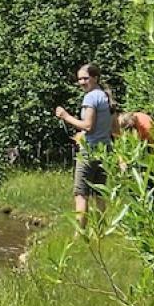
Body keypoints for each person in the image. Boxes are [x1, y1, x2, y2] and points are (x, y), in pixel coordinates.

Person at [53, 63, 115, 227]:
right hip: (105, 150)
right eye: (79, 79)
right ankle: (102, 229)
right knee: (99, 193)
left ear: (95, 78)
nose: (81, 82)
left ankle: (79, 233)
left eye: (85, 78)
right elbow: (110, 127)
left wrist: (65, 116)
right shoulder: (105, 96)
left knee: (81, 193)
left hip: (89, 152)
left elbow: (88, 125)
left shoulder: (91, 97)